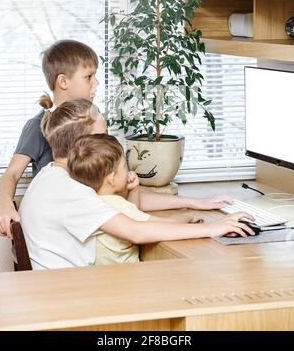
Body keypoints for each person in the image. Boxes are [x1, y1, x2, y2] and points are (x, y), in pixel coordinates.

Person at [19, 99, 255, 270]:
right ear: (83, 145)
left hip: (67, 289)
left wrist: (194, 202)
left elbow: (118, 204)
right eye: (102, 135)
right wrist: (212, 229)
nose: (108, 138)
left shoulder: (55, 175)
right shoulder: (70, 191)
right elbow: (135, 230)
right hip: (75, 299)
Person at [0, 40, 99, 238]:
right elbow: (11, 174)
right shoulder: (38, 126)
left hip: (87, 216)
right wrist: (6, 207)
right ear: (63, 82)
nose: (96, 83)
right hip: (59, 227)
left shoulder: (93, 120)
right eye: (88, 77)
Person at [67, 133, 203, 265]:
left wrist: (134, 190)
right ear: (112, 179)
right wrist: (189, 217)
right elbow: (166, 224)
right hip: (127, 276)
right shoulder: (116, 204)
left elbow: (131, 214)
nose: (129, 170)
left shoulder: (94, 201)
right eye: (124, 166)